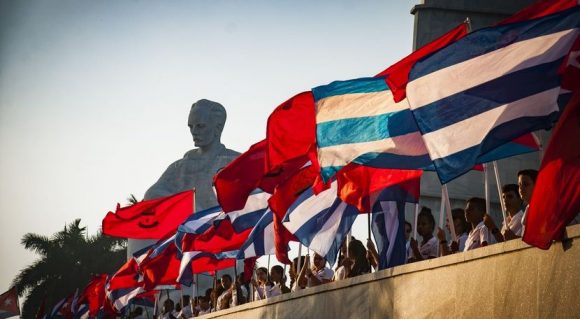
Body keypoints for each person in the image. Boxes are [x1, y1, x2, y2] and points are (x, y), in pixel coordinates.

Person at [518, 169, 538, 236]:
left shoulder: (543, 208)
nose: (521, 188)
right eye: (519, 184)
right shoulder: (528, 207)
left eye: (526, 184)